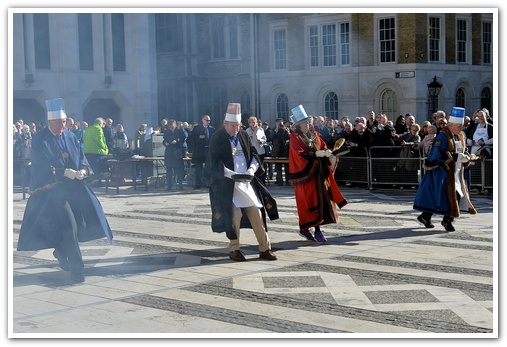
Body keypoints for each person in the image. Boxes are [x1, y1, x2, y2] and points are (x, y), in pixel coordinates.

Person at [17, 98, 113, 283]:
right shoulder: (40, 139)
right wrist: (63, 172)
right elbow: (41, 165)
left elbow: (81, 156)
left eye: (64, 122)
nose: (63, 125)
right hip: (52, 194)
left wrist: (84, 169)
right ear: (50, 123)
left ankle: (60, 251)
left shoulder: (70, 136)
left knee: (78, 226)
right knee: (69, 226)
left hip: (73, 189)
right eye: (59, 123)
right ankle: (78, 270)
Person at [205, 102, 278, 262]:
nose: (235, 129)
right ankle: (234, 248)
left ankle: (265, 249)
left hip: (245, 182)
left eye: (237, 125)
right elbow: (214, 162)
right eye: (232, 126)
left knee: (257, 214)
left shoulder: (244, 135)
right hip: (228, 184)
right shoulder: (217, 138)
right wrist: (229, 174)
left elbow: (253, 154)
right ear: (225, 124)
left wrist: (252, 169)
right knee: (234, 215)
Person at [288, 105, 347, 242]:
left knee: (322, 199)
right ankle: (305, 228)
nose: (307, 124)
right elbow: (298, 155)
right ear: (299, 125)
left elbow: (323, 145)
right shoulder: (295, 138)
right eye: (304, 122)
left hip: (319, 173)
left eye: (308, 121)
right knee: (309, 202)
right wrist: (316, 154)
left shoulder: (315, 135)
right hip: (306, 175)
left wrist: (327, 153)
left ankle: (318, 231)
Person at [413, 107, 477, 232]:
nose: (461, 128)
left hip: (457, 171)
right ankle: (446, 220)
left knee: (453, 194)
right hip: (444, 172)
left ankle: (427, 216)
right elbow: (438, 152)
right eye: (459, 126)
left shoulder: (460, 135)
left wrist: (467, 156)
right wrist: (454, 156)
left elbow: (464, 150)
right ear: (452, 125)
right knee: (443, 195)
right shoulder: (443, 136)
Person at [188, 114, 215, 189]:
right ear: (202, 120)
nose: (208, 122)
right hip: (199, 151)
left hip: (208, 150)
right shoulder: (197, 128)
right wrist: (198, 137)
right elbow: (191, 137)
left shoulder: (212, 129)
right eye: (207, 120)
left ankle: (207, 183)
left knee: (208, 168)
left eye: (209, 120)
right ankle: (198, 184)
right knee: (198, 168)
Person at [163, 119, 187, 190]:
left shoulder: (180, 130)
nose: (171, 129)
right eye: (169, 127)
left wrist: (176, 141)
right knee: (169, 170)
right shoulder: (167, 132)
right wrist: (165, 143)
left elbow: (184, 138)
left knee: (179, 169)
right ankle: (169, 186)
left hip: (178, 151)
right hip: (169, 152)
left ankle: (180, 185)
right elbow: (164, 140)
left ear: (175, 125)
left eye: (172, 127)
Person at [245, 116, 267, 184]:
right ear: (249, 123)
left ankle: (262, 182)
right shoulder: (247, 131)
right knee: (253, 167)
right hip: (252, 151)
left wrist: (261, 141)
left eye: (254, 122)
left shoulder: (260, 130)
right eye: (252, 122)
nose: (253, 123)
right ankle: (254, 182)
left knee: (261, 167)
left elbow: (265, 139)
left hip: (260, 151)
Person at [270, 118, 290, 186]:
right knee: (278, 168)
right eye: (278, 123)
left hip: (284, 150)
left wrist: (285, 129)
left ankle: (288, 181)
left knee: (287, 167)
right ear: (276, 123)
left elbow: (289, 136)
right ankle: (280, 181)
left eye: (281, 123)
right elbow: (271, 137)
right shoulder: (274, 129)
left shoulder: (286, 129)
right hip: (277, 151)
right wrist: (277, 129)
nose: (280, 124)